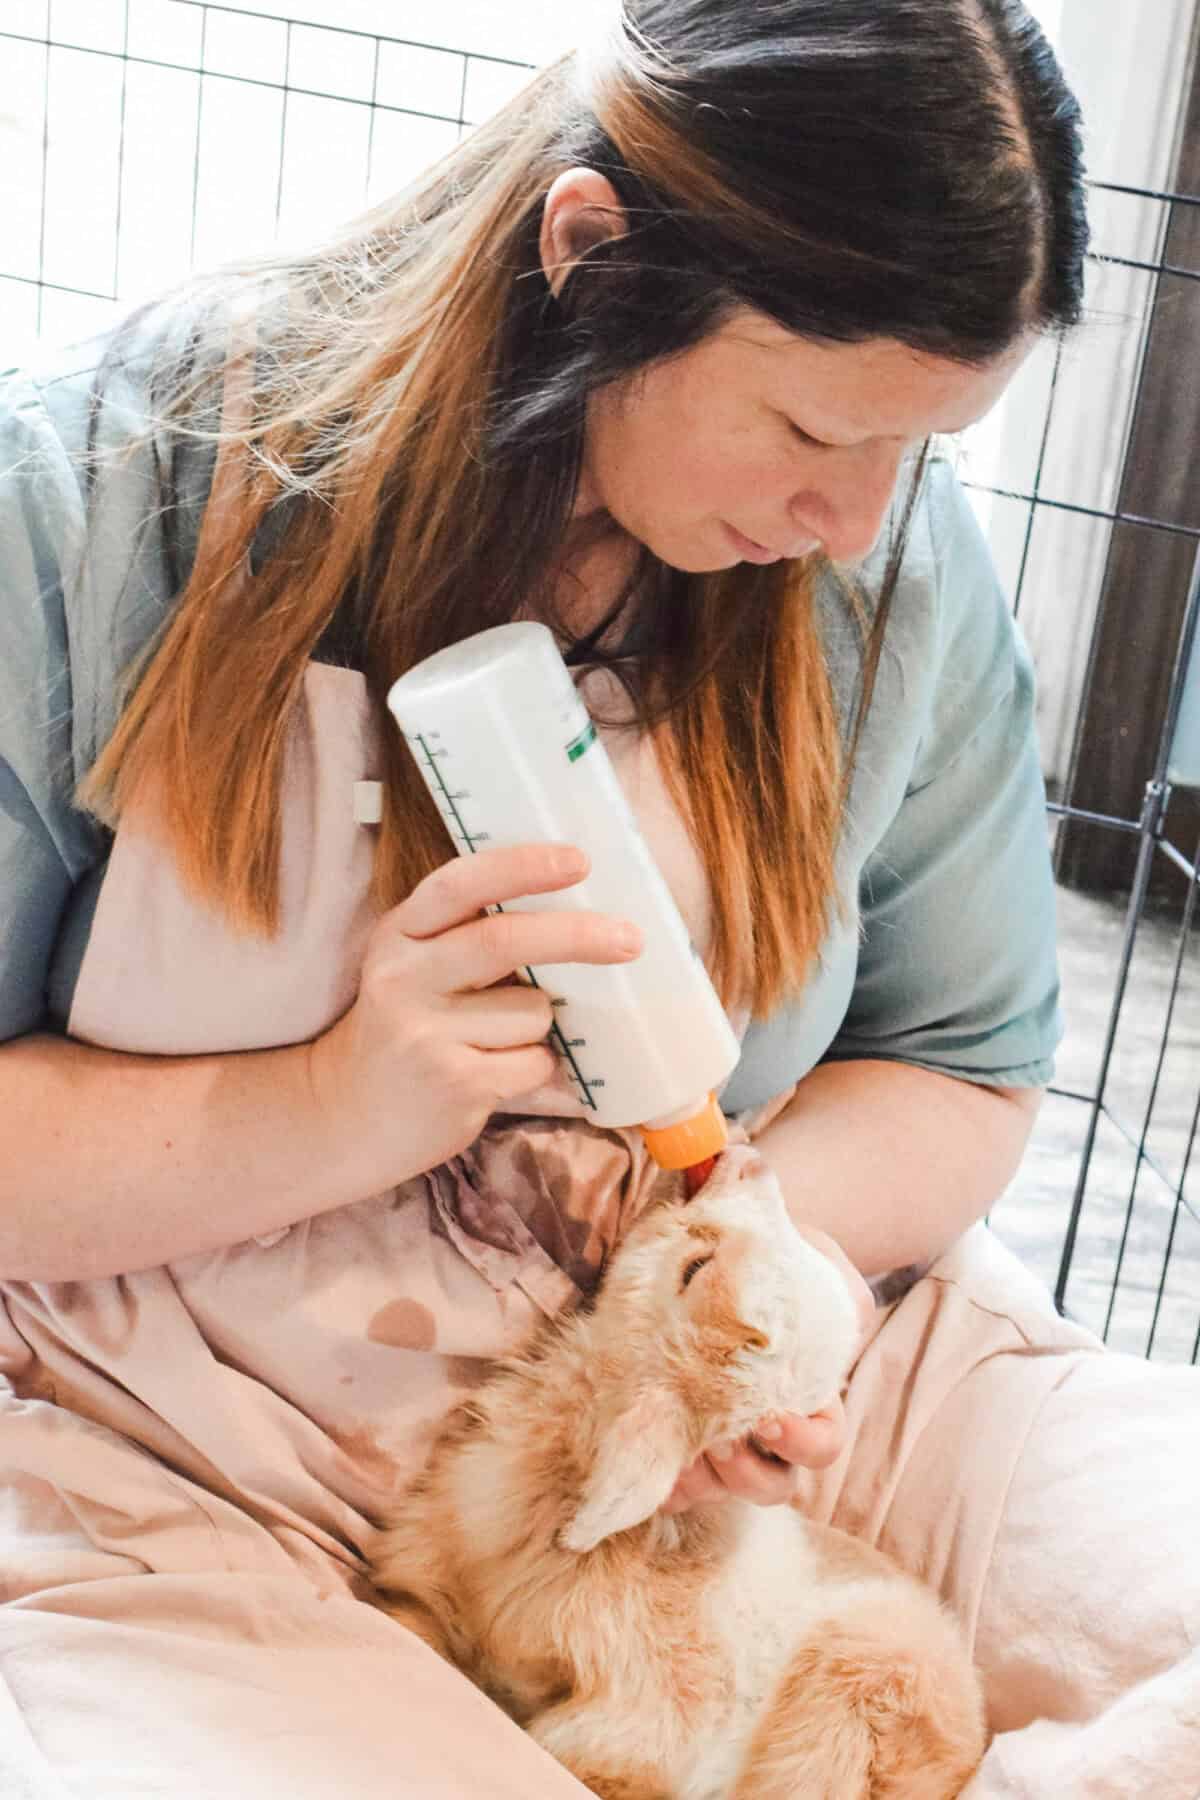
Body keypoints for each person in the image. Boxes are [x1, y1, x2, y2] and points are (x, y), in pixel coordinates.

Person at [0, 1, 1195, 1795]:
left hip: (729, 1385)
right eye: (811, 424)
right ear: (589, 252)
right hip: (184, 1420)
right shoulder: (93, 503)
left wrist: (754, 1300)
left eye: (915, 451)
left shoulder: (878, 569)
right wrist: (330, 1104)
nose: (862, 524)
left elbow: (962, 1059)